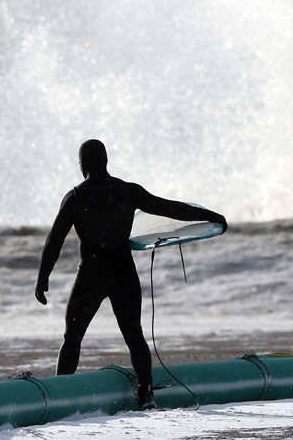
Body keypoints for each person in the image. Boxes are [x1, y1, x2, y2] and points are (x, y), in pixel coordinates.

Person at [35, 139, 227, 410]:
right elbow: (169, 208)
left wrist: (43, 278)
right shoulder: (127, 191)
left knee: (73, 338)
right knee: (134, 335)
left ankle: (59, 396)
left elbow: (54, 241)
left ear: (82, 164)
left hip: (92, 274)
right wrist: (209, 215)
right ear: (106, 161)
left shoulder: (76, 197)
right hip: (123, 272)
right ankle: (146, 395)